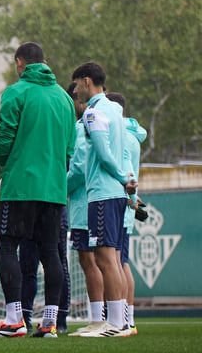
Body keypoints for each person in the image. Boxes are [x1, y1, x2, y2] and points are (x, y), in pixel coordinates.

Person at [0, 43, 75, 339]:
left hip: (20, 186)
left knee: (6, 246)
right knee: (51, 252)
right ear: (44, 62)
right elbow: (69, 149)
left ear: (20, 63)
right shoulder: (64, 98)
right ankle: (49, 323)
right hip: (55, 189)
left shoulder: (16, 92)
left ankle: (14, 320)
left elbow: (5, 137)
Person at [71, 61, 134, 337]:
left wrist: (120, 177)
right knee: (113, 259)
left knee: (106, 258)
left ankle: (115, 323)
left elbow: (104, 153)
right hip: (116, 194)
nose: (75, 90)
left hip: (103, 193)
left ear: (86, 81)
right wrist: (126, 182)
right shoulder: (115, 111)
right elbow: (119, 153)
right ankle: (119, 322)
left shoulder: (94, 114)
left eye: (76, 84)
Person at [65, 83, 98, 336]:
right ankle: (115, 318)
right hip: (95, 201)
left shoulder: (82, 126)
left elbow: (78, 167)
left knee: (91, 261)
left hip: (84, 204)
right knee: (108, 261)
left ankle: (100, 319)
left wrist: (59, 188)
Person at [113, 94, 146, 334]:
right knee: (122, 262)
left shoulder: (121, 136)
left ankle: (124, 320)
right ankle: (128, 319)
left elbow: (126, 172)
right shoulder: (134, 136)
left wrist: (132, 199)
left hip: (121, 203)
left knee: (118, 263)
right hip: (127, 205)